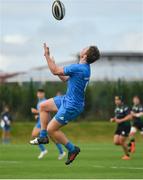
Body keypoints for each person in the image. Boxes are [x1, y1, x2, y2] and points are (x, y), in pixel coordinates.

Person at [30, 43, 100, 165]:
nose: (82, 47)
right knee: (43, 106)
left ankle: (73, 149)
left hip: (72, 105)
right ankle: (43, 136)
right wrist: (55, 67)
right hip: (67, 99)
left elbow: (54, 71)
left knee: (51, 129)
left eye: (85, 48)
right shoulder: (83, 68)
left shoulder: (79, 68)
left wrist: (46, 55)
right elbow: (63, 77)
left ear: (85, 55)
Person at [31, 88, 66, 160]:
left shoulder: (45, 101)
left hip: (45, 122)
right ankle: (45, 150)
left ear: (43, 94)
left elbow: (47, 112)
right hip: (40, 122)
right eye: (38, 93)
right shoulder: (39, 102)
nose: (39, 95)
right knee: (35, 135)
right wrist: (38, 115)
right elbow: (42, 113)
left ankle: (61, 151)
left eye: (40, 93)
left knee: (52, 138)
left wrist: (36, 112)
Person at [110, 96, 132, 160]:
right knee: (116, 142)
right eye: (115, 100)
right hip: (119, 126)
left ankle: (127, 155)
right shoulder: (116, 109)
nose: (116, 101)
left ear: (121, 101)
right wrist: (113, 119)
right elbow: (117, 117)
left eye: (117, 100)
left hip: (126, 125)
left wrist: (121, 120)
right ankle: (128, 145)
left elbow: (130, 117)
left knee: (121, 140)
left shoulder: (125, 107)